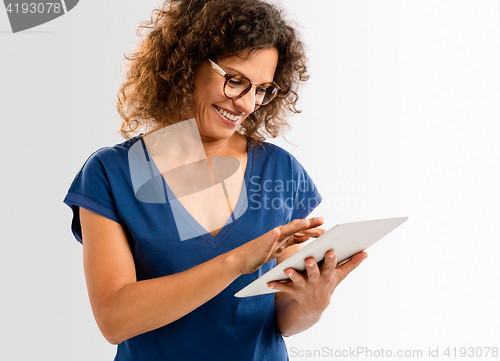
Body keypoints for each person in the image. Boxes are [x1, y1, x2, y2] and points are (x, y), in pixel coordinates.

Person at [63, 0, 367, 360]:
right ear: (187, 65)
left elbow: (283, 320)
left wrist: (313, 301)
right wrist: (235, 262)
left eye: (262, 89)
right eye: (236, 81)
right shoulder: (110, 174)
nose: (247, 104)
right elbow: (115, 320)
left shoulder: (280, 172)